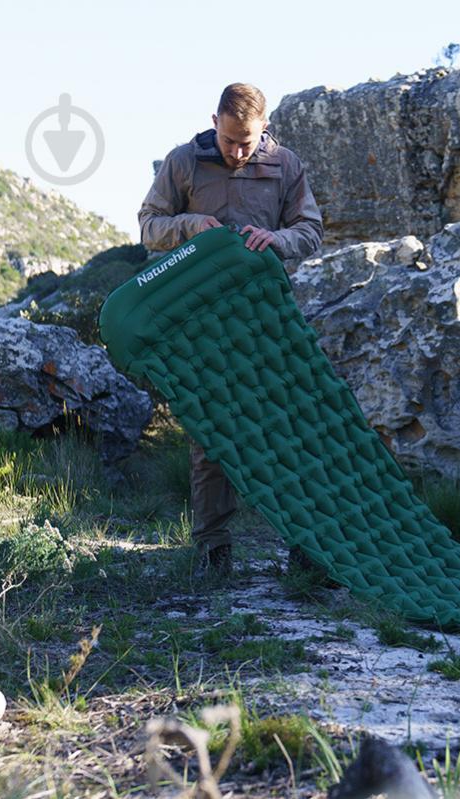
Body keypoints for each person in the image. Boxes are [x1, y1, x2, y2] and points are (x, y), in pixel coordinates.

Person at [137, 82, 324, 575]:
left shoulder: (286, 164)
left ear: (264, 129)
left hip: (265, 319)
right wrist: (190, 225)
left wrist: (278, 239)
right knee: (210, 434)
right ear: (214, 122)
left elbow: (311, 229)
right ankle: (213, 551)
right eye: (229, 141)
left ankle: (304, 547)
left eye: (247, 141)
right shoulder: (183, 162)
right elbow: (149, 225)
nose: (238, 152)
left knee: (285, 427)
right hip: (200, 322)